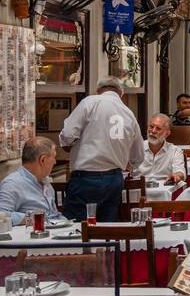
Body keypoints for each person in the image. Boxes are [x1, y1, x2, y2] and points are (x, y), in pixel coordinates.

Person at [59, 78, 144, 222]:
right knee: (106, 229)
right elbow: (138, 156)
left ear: (97, 91)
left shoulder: (90, 102)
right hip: (114, 179)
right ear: (121, 94)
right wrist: (128, 164)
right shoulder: (129, 113)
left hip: (86, 178)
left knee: (76, 227)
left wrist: (68, 145)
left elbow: (67, 134)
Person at [0, 136, 59, 226]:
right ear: (42, 160)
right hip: (30, 237)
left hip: (52, 233)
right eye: (54, 157)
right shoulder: (12, 184)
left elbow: (54, 216)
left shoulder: (45, 182)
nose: (55, 162)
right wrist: (32, 219)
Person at [140, 114, 186, 183]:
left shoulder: (175, 151)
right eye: (151, 127)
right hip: (138, 190)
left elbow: (180, 171)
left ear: (167, 133)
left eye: (158, 128)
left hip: (165, 188)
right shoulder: (137, 148)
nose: (153, 131)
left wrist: (176, 175)